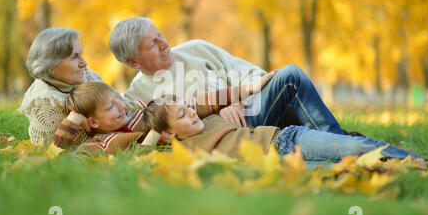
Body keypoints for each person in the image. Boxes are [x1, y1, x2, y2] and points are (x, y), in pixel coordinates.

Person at [108, 17, 362, 137]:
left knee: (289, 75)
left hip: (251, 111)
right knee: (295, 91)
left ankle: (338, 142)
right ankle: (342, 142)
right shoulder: (137, 97)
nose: (164, 43)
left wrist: (236, 100)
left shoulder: (196, 48)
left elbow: (257, 75)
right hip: (228, 134)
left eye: (160, 34)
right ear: (133, 61)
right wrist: (217, 111)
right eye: (152, 44)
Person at [139, 95, 428, 169]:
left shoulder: (210, 118)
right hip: (283, 166)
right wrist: (157, 131)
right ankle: (409, 170)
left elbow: (219, 97)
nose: (191, 112)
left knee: (357, 149)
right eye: (182, 114)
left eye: (188, 107)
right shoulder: (180, 150)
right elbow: (141, 152)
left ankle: (423, 163)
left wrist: (236, 102)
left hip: (287, 140)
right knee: (350, 168)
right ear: (167, 134)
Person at [52, 72, 275, 154]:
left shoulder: (140, 113)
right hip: (195, 155)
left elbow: (195, 104)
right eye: (111, 107)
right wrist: (72, 121)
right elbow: (59, 155)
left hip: (214, 137)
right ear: (92, 122)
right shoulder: (100, 144)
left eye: (117, 100)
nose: (121, 107)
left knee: (286, 79)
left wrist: (246, 90)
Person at [19, 27, 104, 145]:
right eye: (74, 57)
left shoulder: (88, 77)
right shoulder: (44, 103)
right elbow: (51, 155)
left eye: (81, 54)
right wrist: (72, 122)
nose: (84, 63)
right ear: (51, 67)